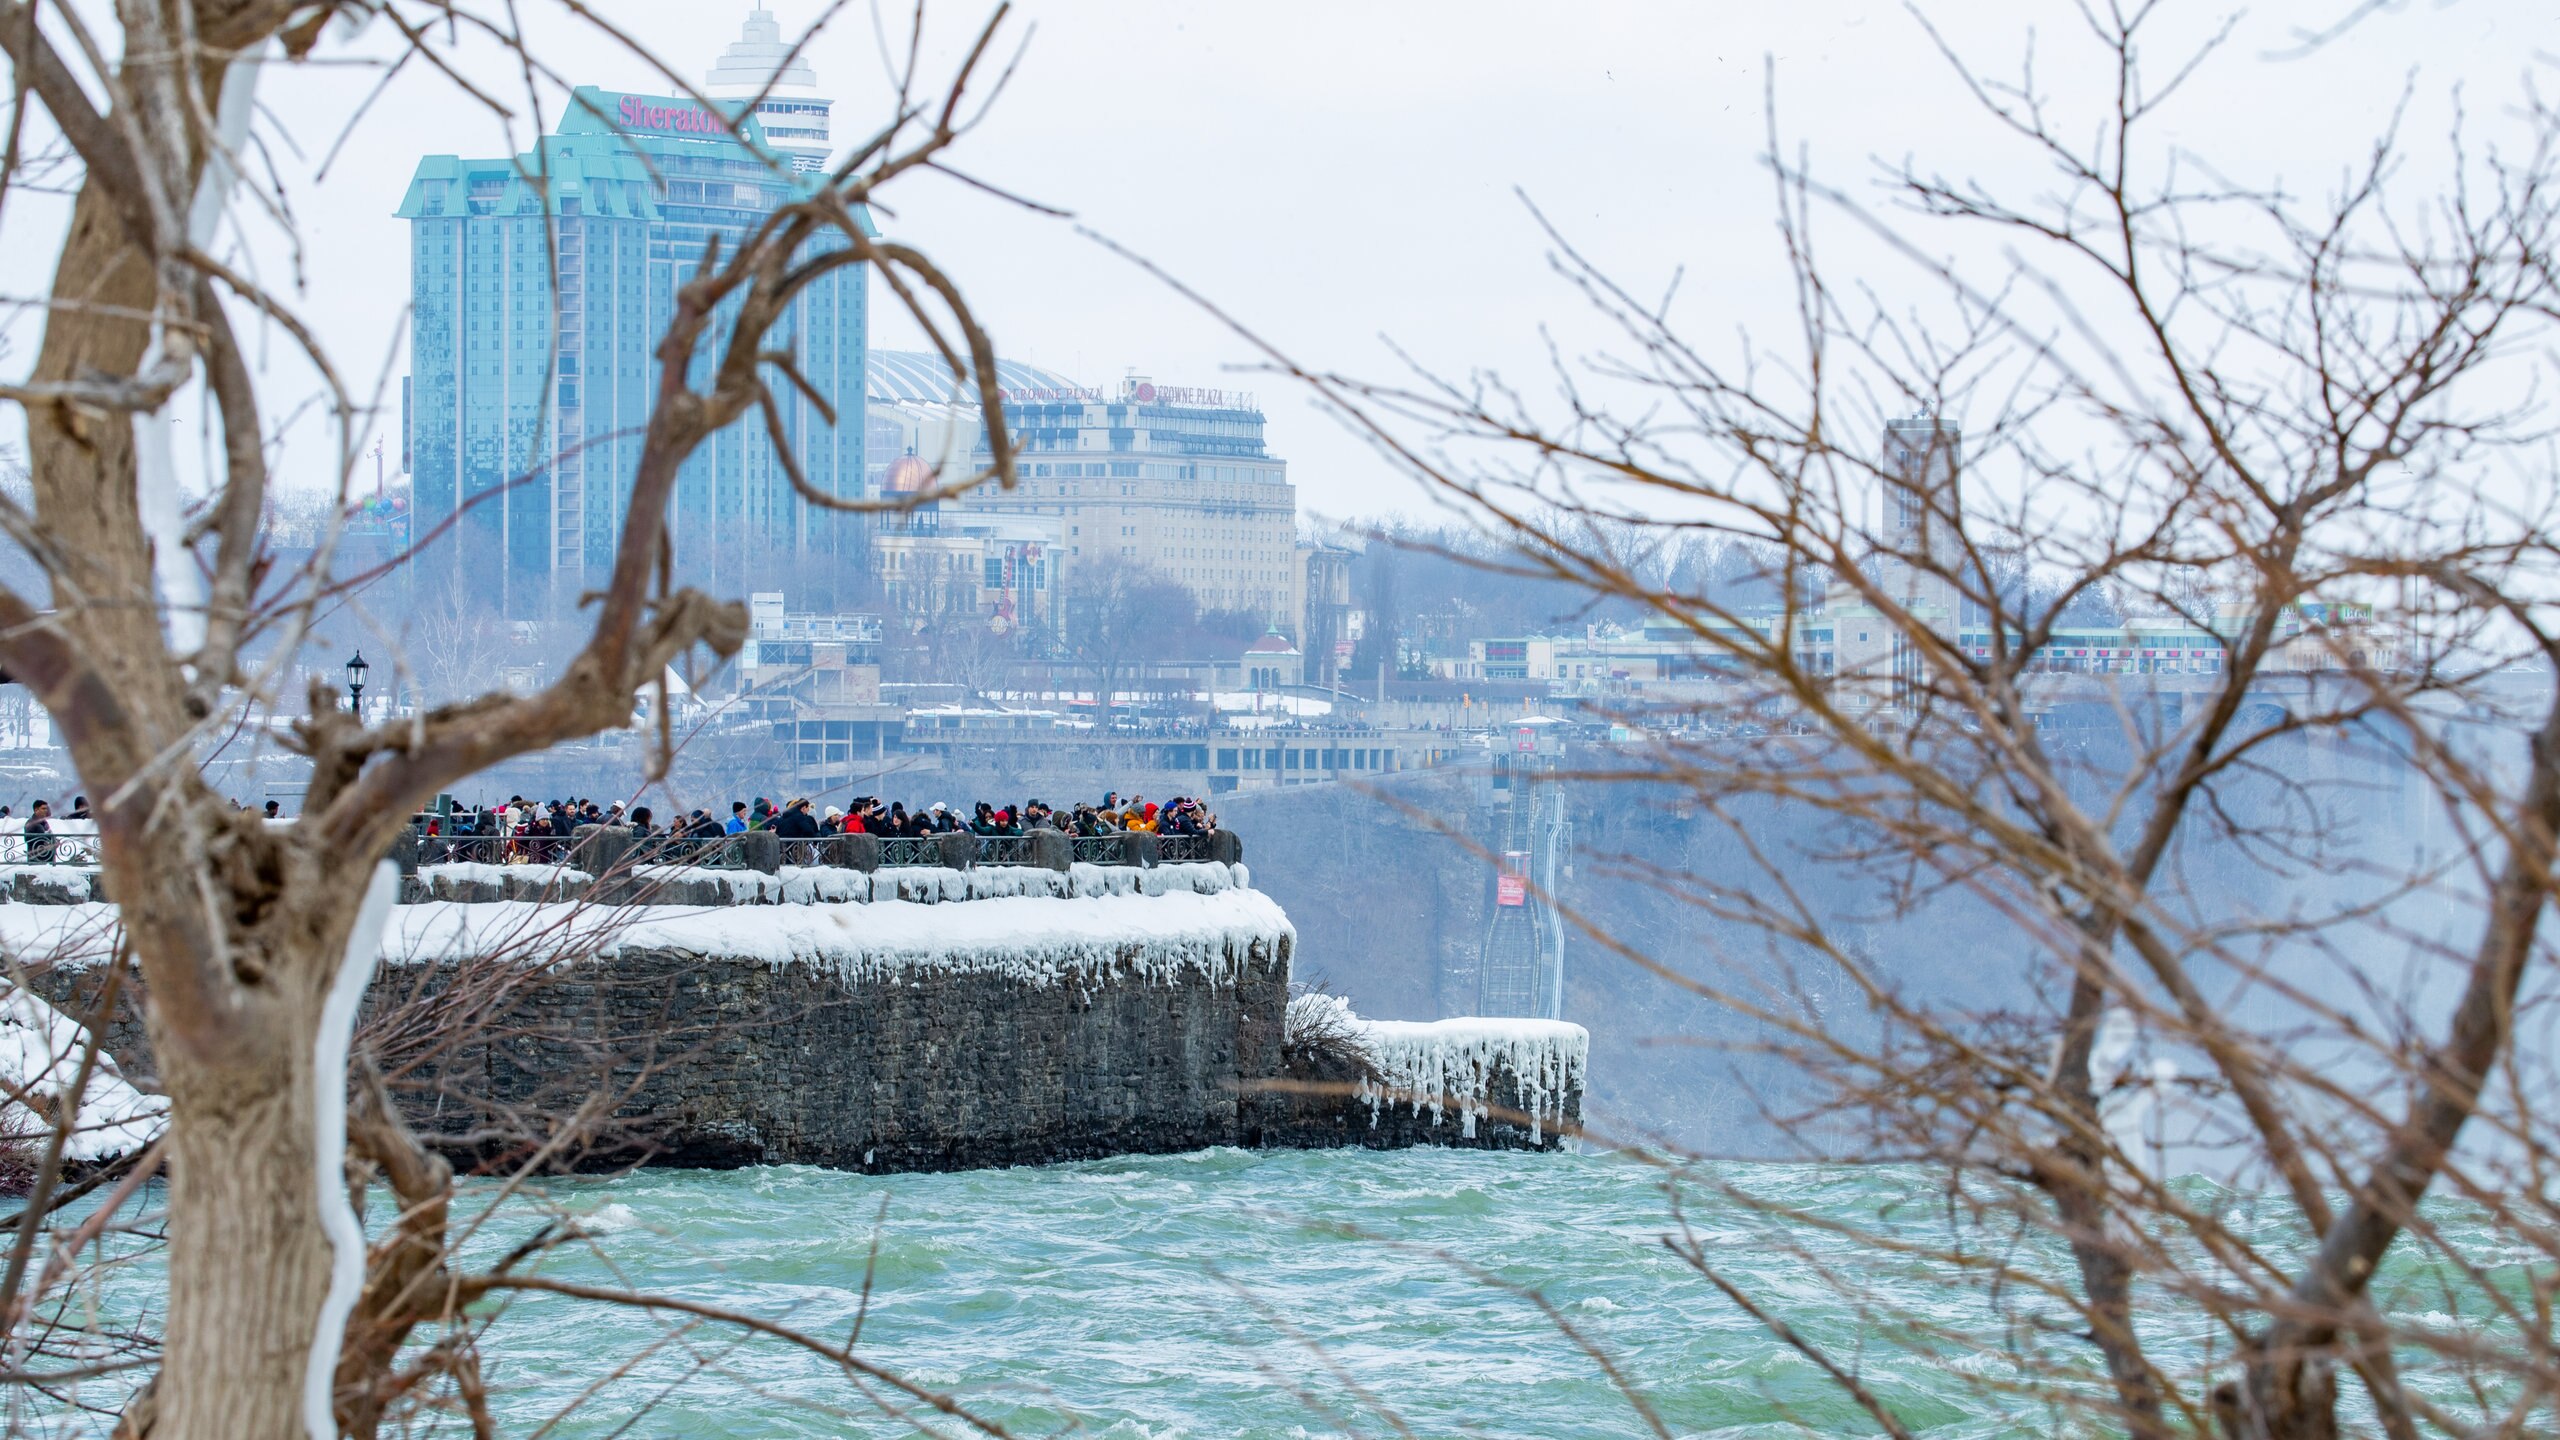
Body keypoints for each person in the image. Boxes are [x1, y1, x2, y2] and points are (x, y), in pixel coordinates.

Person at [23, 800, 52, 864]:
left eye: (46, 809)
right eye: (43, 809)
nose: (46, 811)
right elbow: (28, 839)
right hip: (36, 859)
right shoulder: (31, 823)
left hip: (47, 858)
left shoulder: (44, 823)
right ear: (36, 810)